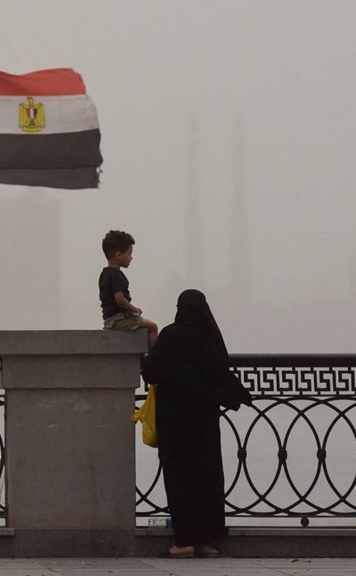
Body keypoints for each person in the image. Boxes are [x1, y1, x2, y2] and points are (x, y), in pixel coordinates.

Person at [141, 289, 252, 558]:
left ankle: (185, 542)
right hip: (204, 423)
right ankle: (207, 542)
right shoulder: (209, 337)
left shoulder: (171, 335)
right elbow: (221, 377)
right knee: (207, 477)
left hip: (174, 422)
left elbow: (151, 372)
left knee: (180, 479)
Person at [99, 230, 158, 347]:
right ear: (119, 255)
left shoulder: (104, 274)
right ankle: (153, 357)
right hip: (119, 319)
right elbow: (119, 299)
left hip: (109, 319)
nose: (131, 258)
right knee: (152, 327)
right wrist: (134, 309)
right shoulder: (117, 274)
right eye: (129, 254)